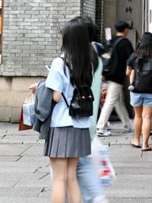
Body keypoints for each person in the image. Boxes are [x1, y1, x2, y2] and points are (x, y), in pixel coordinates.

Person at [46, 18, 98, 203]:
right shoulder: (88, 64)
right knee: (71, 178)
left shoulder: (59, 63)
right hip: (80, 124)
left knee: (59, 179)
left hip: (61, 124)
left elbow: (56, 96)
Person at [77, 16, 107, 203]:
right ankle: (97, 197)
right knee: (83, 165)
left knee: (64, 173)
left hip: (74, 124)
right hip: (89, 122)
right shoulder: (95, 57)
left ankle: (96, 197)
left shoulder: (80, 59)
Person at [126, 32, 152, 151]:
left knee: (138, 116)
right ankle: (145, 144)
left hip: (136, 89)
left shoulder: (134, 55)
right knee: (147, 117)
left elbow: (128, 72)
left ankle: (136, 140)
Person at [96, 21, 133, 137]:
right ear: (126, 29)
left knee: (118, 101)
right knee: (111, 101)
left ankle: (127, 124)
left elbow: (104, 58)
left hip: (107, 74)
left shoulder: (110, 41)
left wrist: (103, 73)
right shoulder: (125, 42)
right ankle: (100, 127)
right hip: (117, 76)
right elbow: (132, 58)